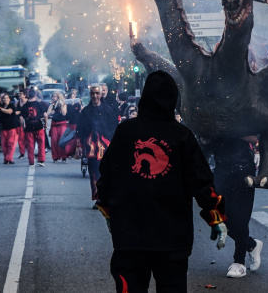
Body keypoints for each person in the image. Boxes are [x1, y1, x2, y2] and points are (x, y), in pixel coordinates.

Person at [97, 70, 227, 292]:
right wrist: (215, 217)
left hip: (130, 237)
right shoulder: (182, 136)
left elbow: (106, 176)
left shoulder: (125, 132)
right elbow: (202, 181)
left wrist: (109, 213)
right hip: (172, 237)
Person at [212, 135, 263, 278]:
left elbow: (256, 136)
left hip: (242, 169)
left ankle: (239, 262)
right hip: (221, 170)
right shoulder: (213, 114)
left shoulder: (242, 113)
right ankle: (251, 244)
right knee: (218, 216)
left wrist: (238, 130)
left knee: (240, 217)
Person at [76, 84, 118, 207]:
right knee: (94, 173)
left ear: (101, 94)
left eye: (97, 93)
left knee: (107, 173)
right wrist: (79, 145)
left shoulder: (108, 110)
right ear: (90, 95)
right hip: (91, 148)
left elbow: (114, 127)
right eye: (93, 93)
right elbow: (80, 129)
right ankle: (98, 198)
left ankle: (107, 197)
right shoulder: (85, 111)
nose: (95, 96)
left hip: (106, 147)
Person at [19, 89, 48, 167]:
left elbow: (21, 118)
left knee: (30, 145)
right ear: (35, 95)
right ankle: (41, 160)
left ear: (28, 96)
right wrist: (45, 124)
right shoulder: (39, 104)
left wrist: (23, 127)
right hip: (38, 125)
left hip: (29, 127)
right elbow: (45, 115)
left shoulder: (25, 106)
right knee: (41, 143)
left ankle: (31, 162)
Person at [48, 92, 68, 162]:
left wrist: (62, 106)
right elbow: (47, 114)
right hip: (54, 124)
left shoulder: (63, 104)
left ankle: (64, 156)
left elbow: (64, 113)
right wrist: (51, 113)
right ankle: (55, 157)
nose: (53, 98)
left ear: (59, 97)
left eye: (55, 96)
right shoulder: (51, 105)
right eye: (53, 96)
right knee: (54, 141)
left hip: (62, 124)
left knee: (62, 141)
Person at [0, 94, 19, 164]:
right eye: (4, 98)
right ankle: (6, 158)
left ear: (9, 99)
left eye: (7, 98)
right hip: (3, 127)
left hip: (12, 127)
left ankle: (9, 158)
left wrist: (0, 109)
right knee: (4, 144)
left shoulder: (11, 106)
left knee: (11, 143)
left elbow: (9, 111)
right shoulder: (0, 106)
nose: (5, 100)